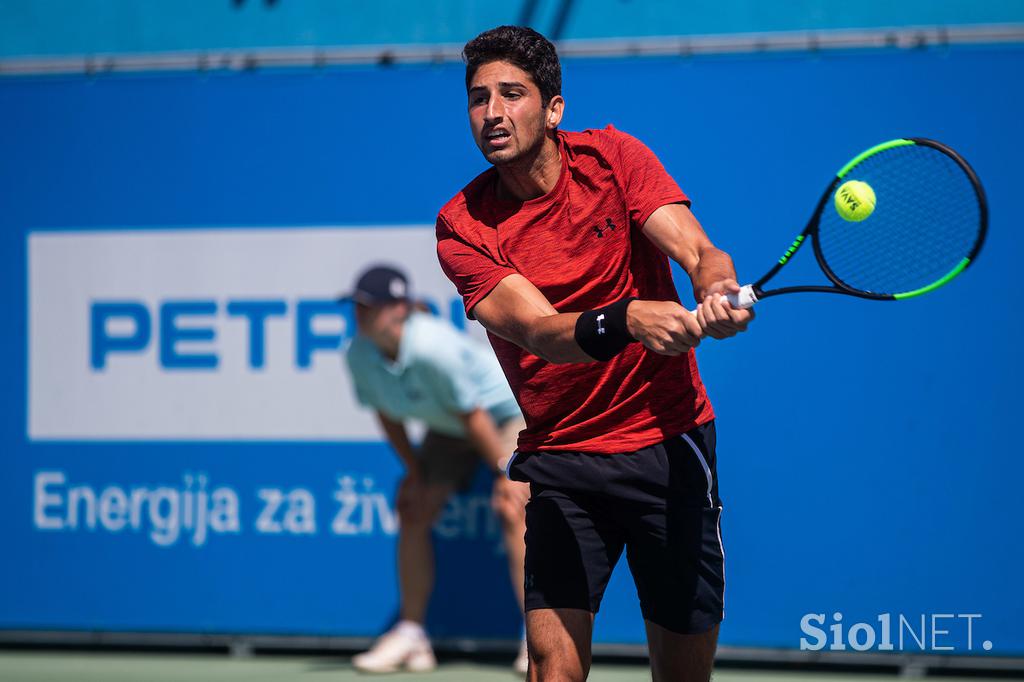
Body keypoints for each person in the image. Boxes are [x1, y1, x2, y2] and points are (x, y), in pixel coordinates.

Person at [435, 26, 755, 682]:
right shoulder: (462, 225)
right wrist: (629, 319)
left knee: (682, 674)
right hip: (562, 461)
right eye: (478, 98)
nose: (493, 112)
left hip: (668, 448)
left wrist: (718, 290)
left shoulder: (613, 159)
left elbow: (697, 251)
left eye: (512, 95)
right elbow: (539, 332)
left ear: (554, 108)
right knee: (553, 670)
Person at [341, 265, 532, 674]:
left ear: (398, 310)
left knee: (512, 506)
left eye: (368, 307)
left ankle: (536, 635)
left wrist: (502, 475)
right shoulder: (357, 354)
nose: (359, 315)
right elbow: (387, 414)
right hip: (453, 424)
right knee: (413, 505)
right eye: (357, 307)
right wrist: (415, 471)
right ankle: (412, 637)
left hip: (505, 413)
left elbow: (474, 415)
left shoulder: (431, 346)